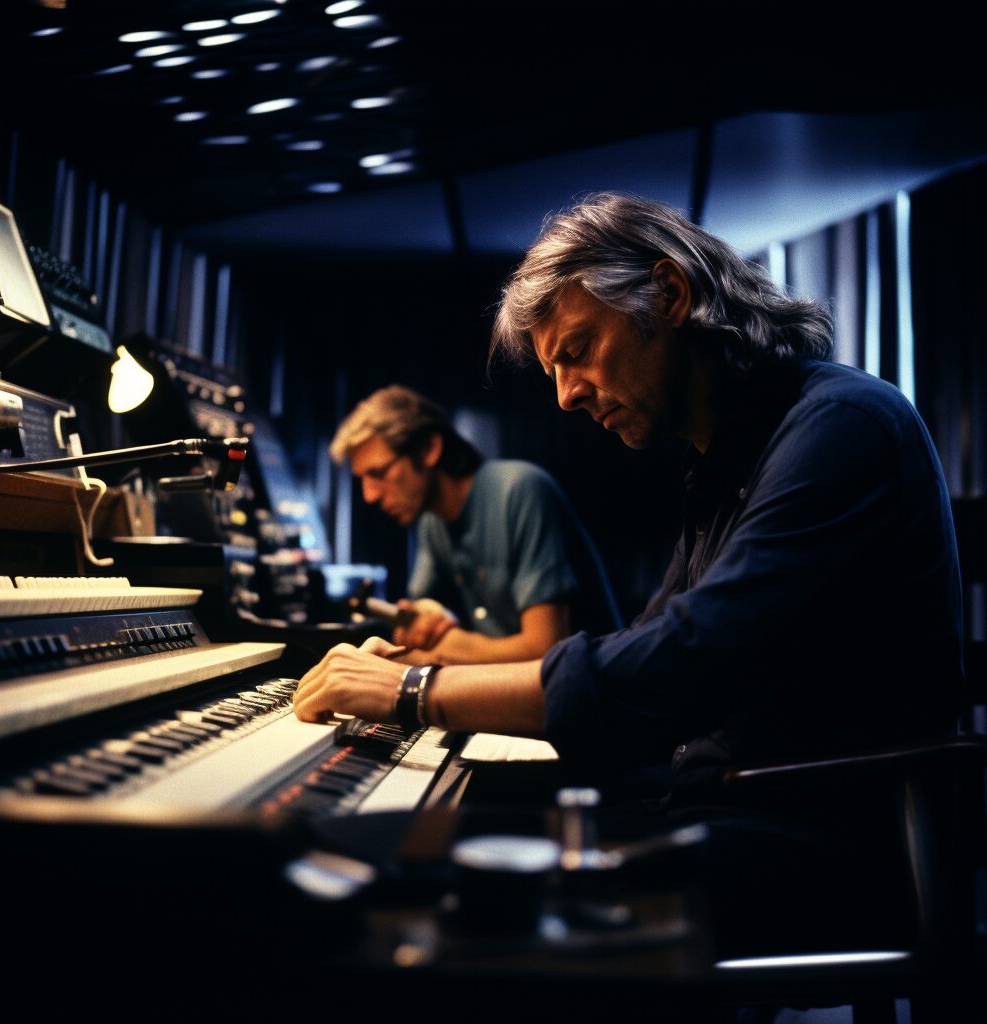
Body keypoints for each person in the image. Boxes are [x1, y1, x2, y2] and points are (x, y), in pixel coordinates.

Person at [298, 193, 964, 795]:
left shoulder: (842, 425)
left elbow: (683, 660)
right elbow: (649, 640)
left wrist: (416, 688)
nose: (565, 396)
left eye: (578, 350)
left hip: (815, 831)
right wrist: (417, 669)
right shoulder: (722, 460)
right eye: (554, 371)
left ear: (669, 294)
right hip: (730, 790)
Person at [329, 384, 622, 665]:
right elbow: (423, 618)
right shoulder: (432, 523)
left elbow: (547, 649)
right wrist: (426, 616)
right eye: (363, 481)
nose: (369, 495)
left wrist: (448, 646)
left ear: (430, 448)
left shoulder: (519, 489)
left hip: (598, 704)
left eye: (378, 473)